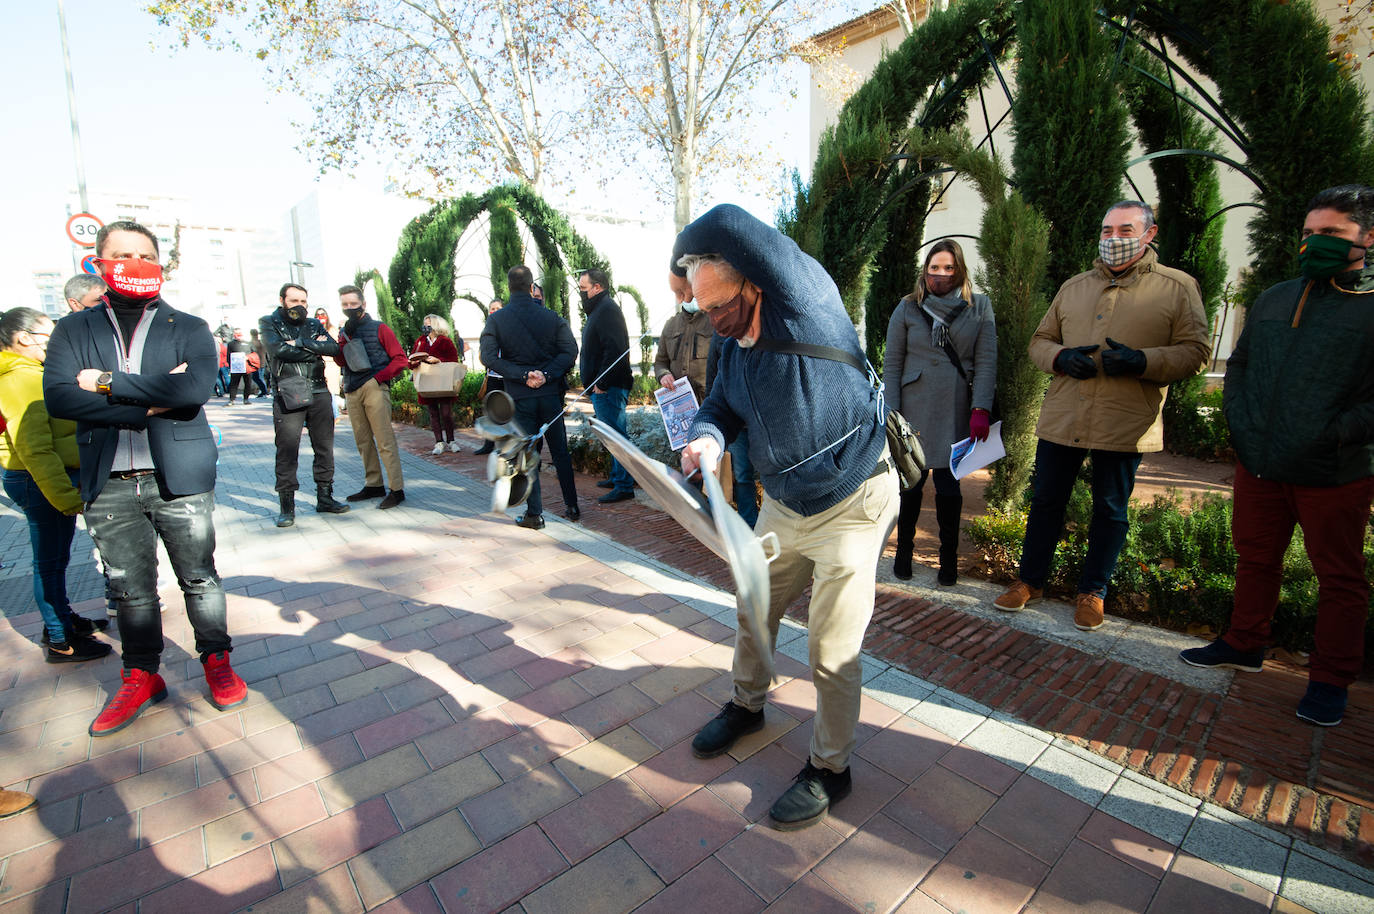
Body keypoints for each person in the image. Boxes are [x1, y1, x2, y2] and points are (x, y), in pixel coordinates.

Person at [675, 204, 897, 831]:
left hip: (855, 502)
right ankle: (748, 704)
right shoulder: (732, 348)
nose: (713, 320)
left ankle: (832, 768)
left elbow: (731, 224)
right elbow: (718, 405)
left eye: (720, 304)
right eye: (702, 308)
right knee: (753, 603)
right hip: (786, 504)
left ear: (753, 281)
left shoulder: (806, 300)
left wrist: (680, 248)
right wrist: (709, 439)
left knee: (831, 648)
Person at [1180, 184, 1374, 727]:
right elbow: (1238, 366)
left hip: (1332, 471)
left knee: (1338, 577)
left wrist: (1334, 433)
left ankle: (1332, 679)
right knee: (1256, 558)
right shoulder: (1276, 296)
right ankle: (1245, 642)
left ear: (1368, 237)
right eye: (1309, 233)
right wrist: (1239, 424)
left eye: (1331, 233)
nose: (1315, 243)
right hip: (1260, 462)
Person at [43, 220, 246, 736]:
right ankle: (141, 674)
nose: (132, 263)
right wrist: (146, 404)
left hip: (179, 474)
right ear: (98, 262)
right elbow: (62, 400)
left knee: (199, 578)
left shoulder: (190, 327)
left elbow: (193, 390)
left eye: (143, 254)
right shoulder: (74, 329)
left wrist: (105, 385)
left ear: (158, 263)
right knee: (130, 590)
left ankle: (216, 661)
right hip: (108, 480)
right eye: (120, 254)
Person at [992, 201, 1209, 630]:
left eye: (1124, 230)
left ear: (1149, 234)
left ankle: (1093, 592)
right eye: (1107, 231)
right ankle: (1030, 581)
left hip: (1126, 419)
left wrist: (1143, 361)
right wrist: (1060, 357)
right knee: (1045, 501)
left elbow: (1196, 351)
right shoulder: (1075, 286)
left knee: (1110, 508)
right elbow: (1040, 340)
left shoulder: (1177, 287)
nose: (1113, 239)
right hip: (1064, 415)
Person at [0, 308, 112, 662]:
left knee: (56, 559)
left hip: (46, 479)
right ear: (24, 339)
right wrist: (64, 496)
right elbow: (34, 447)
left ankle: (61, 619)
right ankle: (60, 639)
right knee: (49, 562)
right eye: (49, 336)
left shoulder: (31, 372)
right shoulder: (22, 379)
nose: (55, 342)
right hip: (41, 480)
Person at [883, 240, 997, 585]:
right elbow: (892, 362)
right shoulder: (907, 308)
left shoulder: (979, 307)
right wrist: (891, 412)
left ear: (960, 270)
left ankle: (949, 560)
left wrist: (981, 408)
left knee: (949, 489)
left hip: (956, 406)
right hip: (913, 408)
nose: (941, 275)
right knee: (911, 486)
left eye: (949, 268)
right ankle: (904, 552)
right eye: (935, 268)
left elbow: (986, 361)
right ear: (925, 270)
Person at [480, 265, 581, 527]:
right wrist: (546, 374)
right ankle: (572, 505)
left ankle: (534, 514)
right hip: (550, 394)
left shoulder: (497, 319)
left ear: (509, 287)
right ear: (530, 286)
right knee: (560, 451)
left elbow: (488, 357)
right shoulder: (551, 316)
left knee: (526, 454)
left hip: (519, 396)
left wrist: (522, 375)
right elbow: (570, 351)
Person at [259, 282, 350, 527]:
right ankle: (287, 506)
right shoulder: (268, 322)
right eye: (294, 301)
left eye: (303, 301)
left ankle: (325, 498)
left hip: (319, 389)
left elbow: (332, 348)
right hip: (289, 389)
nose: (300, 306)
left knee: (324, 447)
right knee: (287, 450)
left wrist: (298, 344)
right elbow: (277, 350)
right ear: (282, 301)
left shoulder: (313, 323)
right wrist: (312, 346)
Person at [334, 284, 408, 509]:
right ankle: (374, 484)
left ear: (363, 304)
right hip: (352, 388)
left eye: (353, 304)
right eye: (345, 305)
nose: (349, 308)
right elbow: (340, 361)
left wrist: (378, 378)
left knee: (384, 440)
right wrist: (341, 342)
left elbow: (400, 359)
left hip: (374, 386)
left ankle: (397, 489)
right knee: (362, 440)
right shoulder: (345, 331)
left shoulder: (380, 328)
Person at [578, 268, 636, 503]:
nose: (581, 293)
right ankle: (616, 476)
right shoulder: (600, 310)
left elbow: (615, 350)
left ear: (597, 287)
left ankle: (624, 485)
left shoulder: (607, 310)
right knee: (611, 434)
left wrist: (602, 381)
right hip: (602, 386)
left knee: (616, 435)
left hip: (609, 387)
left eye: (584, 289)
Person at [704, 331, 759, 528]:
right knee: (743, 474)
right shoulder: (721, 336)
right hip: (738, 422)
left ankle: (770, 524)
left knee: (771, 474)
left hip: (763, 420)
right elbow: (712, 378)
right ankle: (748, 523)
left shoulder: (765, 327)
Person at [410, 313, 464, 455]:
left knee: (446, 413)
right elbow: (411, 359)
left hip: (442, 382)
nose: (426, 327)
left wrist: (438, 360)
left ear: (436, 325)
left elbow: (453, 360)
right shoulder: (421, 341)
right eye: (425, 324)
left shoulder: (445, 341)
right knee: (433, 413)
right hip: (426, 382)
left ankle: (451, 441)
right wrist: (415, 361)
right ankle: (439, 442)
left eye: (429, 324)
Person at [654, 273, 712, 402]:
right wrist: (663, 375)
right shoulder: (670, 324)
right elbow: (660, 362)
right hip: (678, 402)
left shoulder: (715, 321)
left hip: (709, 401)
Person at [473, 299, 506, 457]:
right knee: (491, 410)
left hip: (508, 376)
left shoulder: (509, 326)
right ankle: (489, 443)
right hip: (492, 376)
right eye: (491, 308)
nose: (494, 311)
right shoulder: (487, 330)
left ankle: (507, 444)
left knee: (509, 411)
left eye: (497, 308)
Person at [226, 329, 252, 406]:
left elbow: (254, 353)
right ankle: (232, 399)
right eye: (236, 334)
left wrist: (249, 358)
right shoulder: (231, 344)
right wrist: (231, 366)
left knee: (248, 383)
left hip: (247, 367)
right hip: (236, 367)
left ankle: (246, 399)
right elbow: (228, 356)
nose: (238, 336)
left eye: (239, 334)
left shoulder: (248, 343)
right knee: (234, 384)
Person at [249, 328, 269, 397]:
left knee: (257, 377)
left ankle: (264, 391)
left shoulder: (253, 343)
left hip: (256, 363)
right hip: (262, 362)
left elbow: (251, 352)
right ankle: (264, 391)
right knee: (258, 377)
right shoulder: (261, 342)